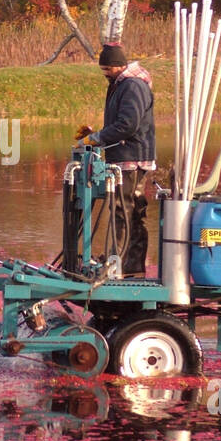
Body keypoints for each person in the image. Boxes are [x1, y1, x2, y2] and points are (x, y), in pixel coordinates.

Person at [75, 43, 156, 277]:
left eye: (107, 69)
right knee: (132, 211)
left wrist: (97, 138)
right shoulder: (123, 84)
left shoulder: (132, 86)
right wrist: (96, 135)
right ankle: (130, 266)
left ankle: (117, 265)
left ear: (118, 66)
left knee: (123, 210)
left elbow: (127, 124)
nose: (105, 74)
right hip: (128, 155)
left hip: (131, 157)